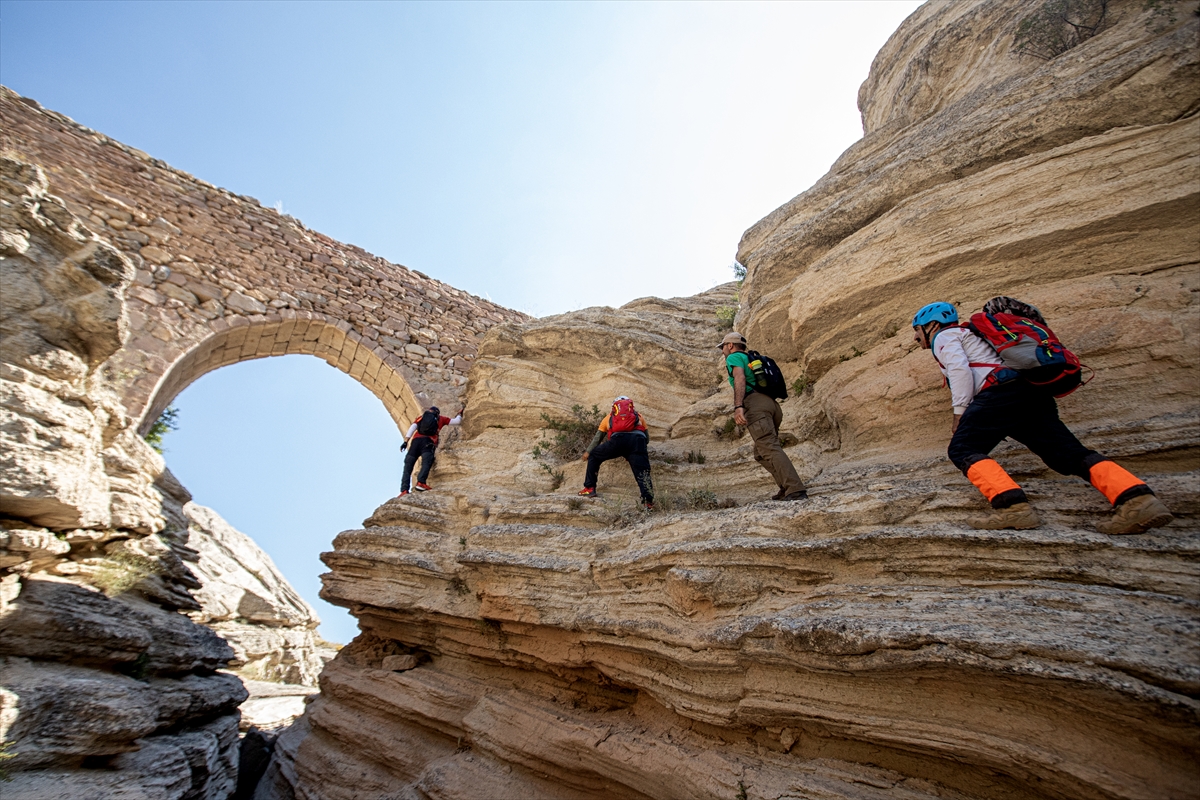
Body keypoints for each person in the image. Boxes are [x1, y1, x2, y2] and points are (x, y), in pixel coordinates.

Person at [911, 299, 1173, 533]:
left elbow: (959, 370)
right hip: (1030, 392)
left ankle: (1012, 508)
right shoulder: (972, 335)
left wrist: (960, 413)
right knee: (1068, 453)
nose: (915, 338)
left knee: (963, 448)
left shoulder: (946, 336)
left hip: (1000, 393)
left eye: (917, 330)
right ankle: (1137, 500)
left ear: (932, 325)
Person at [718, 331, 807, 501]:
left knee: (770, 447)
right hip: (772, 405)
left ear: (730, 345)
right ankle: (785, 486)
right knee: (760, 453)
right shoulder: (752, 358)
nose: (722, 350)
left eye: (723, 347)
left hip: (756, 405)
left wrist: (738, 406)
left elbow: (739, 379)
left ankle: (795, 488)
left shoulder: (734, 358)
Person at [577, 396, 655, 510]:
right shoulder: (639, 416)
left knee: (595, 455)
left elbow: (597, 438)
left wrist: (588, 452)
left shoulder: (609, 417)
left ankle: (589, 488)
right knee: (642, 472)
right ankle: (648, 502)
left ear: (615, 407)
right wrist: (632, 453)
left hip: (618, 441)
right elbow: (647, 439)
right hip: (638, 442)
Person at [398, 404, 463, 496]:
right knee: (426, 461)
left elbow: (412, 428)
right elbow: (457, 422)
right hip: (428, 442)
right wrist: (459, 415)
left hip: (415, 442)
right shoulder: (441, 419)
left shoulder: (421, 418)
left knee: (408, 466)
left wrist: (405, 442)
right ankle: (421, 483)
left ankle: (404, 490)